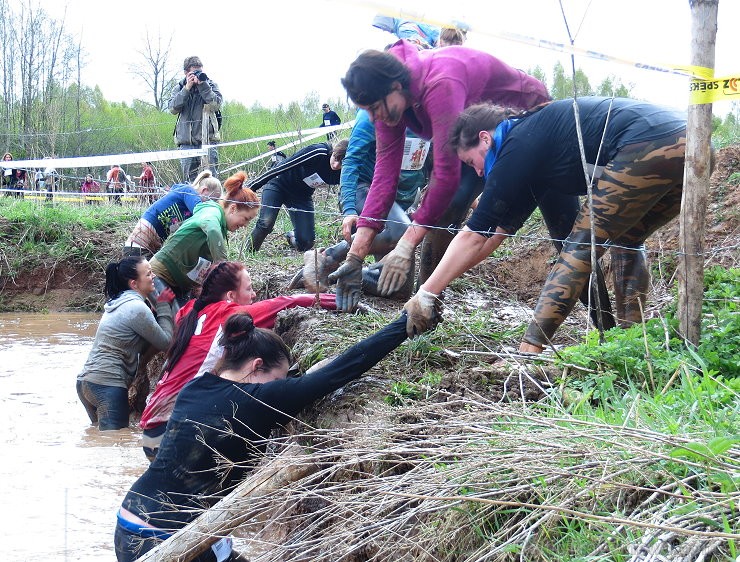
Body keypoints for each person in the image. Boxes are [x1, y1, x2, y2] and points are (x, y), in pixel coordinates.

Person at [115, 307, 431, 561]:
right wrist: (403, 324)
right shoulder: (258, 400)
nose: (280, 387)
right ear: (256, 366)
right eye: (278, 379)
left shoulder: (197, 387)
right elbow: (342, 371)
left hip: (134, 520)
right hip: (165, 540)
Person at [404, 97, 687, 350]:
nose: (477, 171)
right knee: (629, 238)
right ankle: (631, 344)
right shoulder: (533, 149)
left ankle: (530, 350)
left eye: (471, 161)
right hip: (691, 141)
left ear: (485, 139)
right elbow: (492, 237)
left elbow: (473, 234)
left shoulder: (517, 142)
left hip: (649, 142)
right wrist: (438, 287)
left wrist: (426, 292)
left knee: (579, 246)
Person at [330, 40, 550, 312]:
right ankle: (426, 307)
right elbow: (384, 178)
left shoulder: (440, 83)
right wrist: (355, 256)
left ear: (396, 87)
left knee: (552, 224)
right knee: (444, 212)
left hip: (527, 119)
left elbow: (446, 177)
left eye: (376, 108)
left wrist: (407, 244)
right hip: (472, 137)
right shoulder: (389, 106)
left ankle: (427, 300)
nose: (375, 117)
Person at [139, 260, 337, 460]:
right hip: (174, 432)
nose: (254, 295)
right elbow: (289, 302)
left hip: (152, 432)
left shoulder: (188, 312)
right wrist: (338, 300)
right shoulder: (228, 314)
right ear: (230, 296)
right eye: (249, 289)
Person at [292, 108, 427, 297]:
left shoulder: (433, 115)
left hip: (397, 205)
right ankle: (328, 257)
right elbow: (352, 160)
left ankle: (336, 274)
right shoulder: (373, 111)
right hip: (364, 189)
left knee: (398, 288)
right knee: (400, 229)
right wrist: (348, 208)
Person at [76, 256, 175, 430]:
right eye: (148, 274)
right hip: (107, 386)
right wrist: (163, 306)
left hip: (87, 383)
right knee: (115, 441)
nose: (154, 277)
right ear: (134, 284)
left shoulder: (118, 303)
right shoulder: (136, 308)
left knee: (98, 438)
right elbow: (166, 342)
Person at [149, 171, 259, 307]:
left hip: (180, 286)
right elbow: (211, 229)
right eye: (246, 219)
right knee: (175, 324)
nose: (245, 225)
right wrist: (225, 267)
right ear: (233, 208)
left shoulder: (221, 226)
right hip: (160, 275)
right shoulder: (212, 212)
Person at [245, 140, 348, 252]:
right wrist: (250, 188)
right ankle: (249, 252)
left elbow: (347, 194)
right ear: (332, 152)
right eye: (335, 158)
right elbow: (282, 166)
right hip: (279, 183)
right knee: (266, 223)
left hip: (301, 195)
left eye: (342, 163)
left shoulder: (346, 172)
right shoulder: (319, 152)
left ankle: (291, 236)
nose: (336, 165)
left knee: (306, 243)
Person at [123, 170, 223, 257]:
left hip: (150, 246)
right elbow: (201, 211)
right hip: (139, 244)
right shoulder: (188, 191)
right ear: (204, 190)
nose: (211, 205)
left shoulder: (190, 209)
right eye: (212, 200)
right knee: (148, 276)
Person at [169, 56, 223, 182]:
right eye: (195, 72)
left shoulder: (210, 85)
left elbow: (216, 105)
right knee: (189, 183)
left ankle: (211, 202)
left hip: (208, 142)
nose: (198, 75)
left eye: (200, 71)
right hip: (186, 144)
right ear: (186, 73)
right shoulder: (179, 88)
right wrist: (186, 89)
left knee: (211, 182)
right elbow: (172, 109)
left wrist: (203, 86)